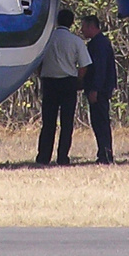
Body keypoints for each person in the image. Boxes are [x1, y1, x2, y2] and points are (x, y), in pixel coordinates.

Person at [35, 8, 90, 165]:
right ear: (72, 23)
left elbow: (38, 61)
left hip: (49, 82)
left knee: (48, 123)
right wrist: (78, 79)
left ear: (57, 21)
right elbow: (84, 65)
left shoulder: (47, 39)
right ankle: (62, 157)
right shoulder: (76, 41)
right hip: (68, 83)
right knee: (66, 123)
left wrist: (42, 73)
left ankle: (43, 156)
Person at [81, 14, 117, 164]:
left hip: (100, 90)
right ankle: (103, 153)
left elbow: (100, 69)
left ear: (91, 26)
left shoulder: (99, 44)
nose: (81, 30)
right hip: (98, 89)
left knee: (101, 122)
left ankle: (106, 155)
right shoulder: (96, 43)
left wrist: (95, 89)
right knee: (97, 122)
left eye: (83, 26)